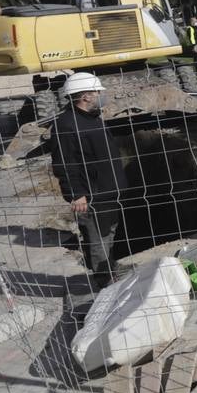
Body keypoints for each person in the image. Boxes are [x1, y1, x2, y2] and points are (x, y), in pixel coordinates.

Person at [49, 72, 126, 285]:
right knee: (98, 241)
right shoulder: (66, 124)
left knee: (108, 235)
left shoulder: (91, 119)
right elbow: (65, 163)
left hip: (108, 193)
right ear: (86, 96)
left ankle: (109, 272)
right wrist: (76, 194)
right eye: (98, 91)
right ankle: (105, 284)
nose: (102, 94)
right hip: (91, 197)